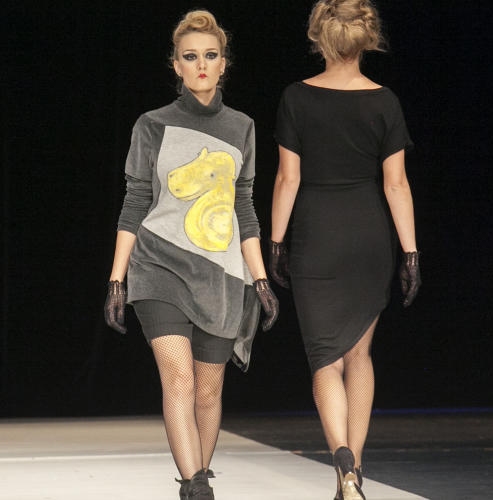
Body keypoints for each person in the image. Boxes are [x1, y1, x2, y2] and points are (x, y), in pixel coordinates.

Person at [104, 10, 278, 500]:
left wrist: (260, 279)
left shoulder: (242, 127)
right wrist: (117, 280)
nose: (201, 64)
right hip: (157, 269)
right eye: (190, 56)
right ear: (176, 65)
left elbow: (244, 207)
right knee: (179, 379)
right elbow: (136, 202)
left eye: (210, 55)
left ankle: (193, 483)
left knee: (208, 390)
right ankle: (198, 486)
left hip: (220, 277)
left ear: (224, 63)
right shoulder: (152, 125)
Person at [269, 1, 421, 499]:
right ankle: (353, 472)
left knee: (324, 360)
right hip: (368, 237)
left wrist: (275, 241)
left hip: (317, 235)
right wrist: (411, 253)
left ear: (320, 37)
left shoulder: (296, 97)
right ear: (366, 39)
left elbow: (288, 179)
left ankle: (344, 467)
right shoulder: (385, 101)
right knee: (359, 355)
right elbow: (396, 185)